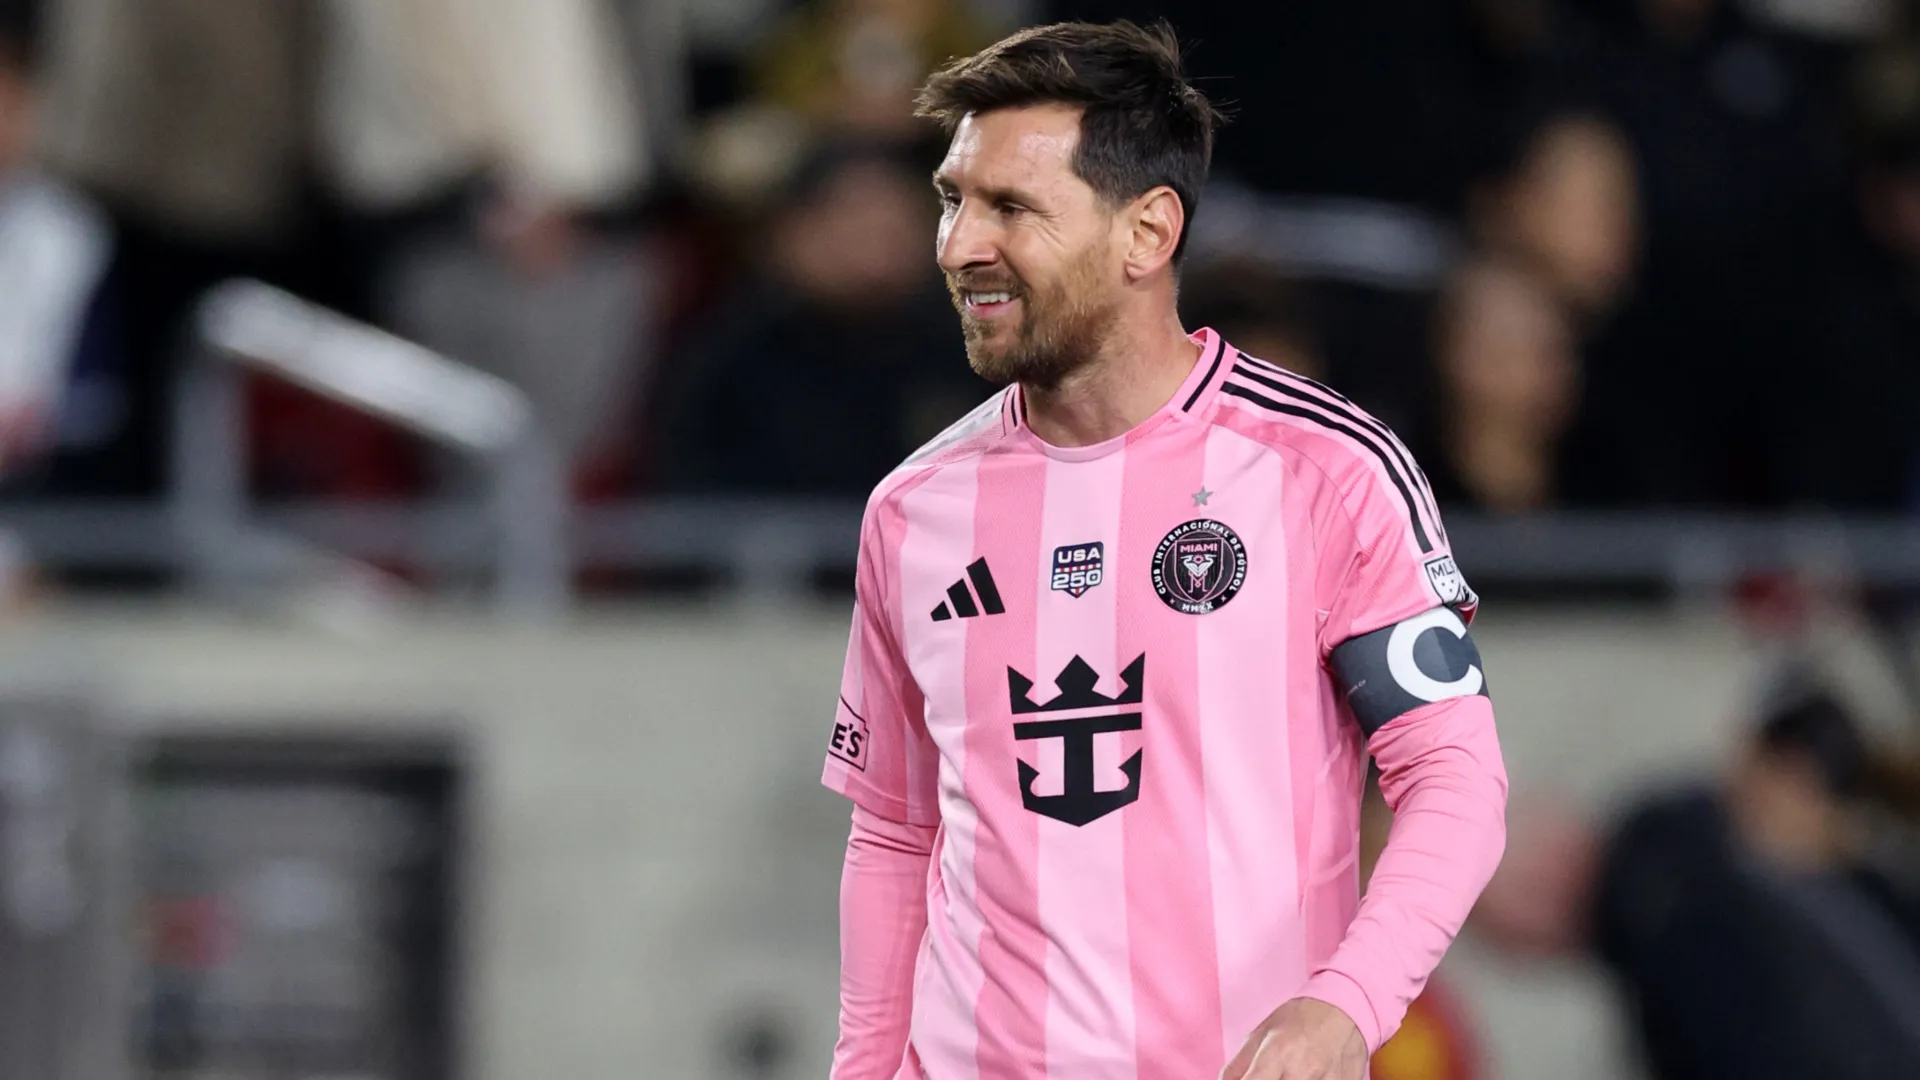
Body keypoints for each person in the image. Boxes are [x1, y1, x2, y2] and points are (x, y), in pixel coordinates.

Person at [818, 21, 1509, 1080]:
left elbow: (1455, 783)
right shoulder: (915, 509)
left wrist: (1343, 1007)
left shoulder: (1325, 470)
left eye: (1011, 207)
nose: (961, 245)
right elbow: (896, 836)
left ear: (1146, 235)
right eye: (954, 200)